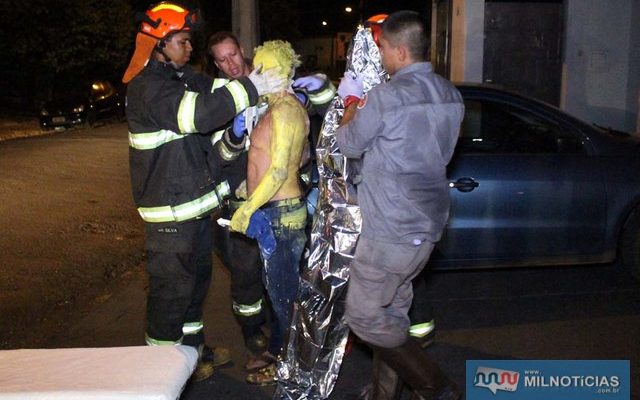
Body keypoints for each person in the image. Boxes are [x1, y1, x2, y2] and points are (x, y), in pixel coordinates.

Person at [122, 2, 285, 382]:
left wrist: (268, 81)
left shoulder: (180, 78)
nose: (189, 47)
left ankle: (192, 356)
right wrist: (251, 88)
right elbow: (199, 115)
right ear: (159, 43)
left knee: (194, 294)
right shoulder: (149, 88)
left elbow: (219, 91)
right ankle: (159, 377)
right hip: (170, 218)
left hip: (192, 212)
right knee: (169, 300)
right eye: (182, 40)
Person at [334, 10, 464, 400]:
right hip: (427, 227)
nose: (382, 55)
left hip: (390, 228)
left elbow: (349, 143)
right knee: (391, 316)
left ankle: (436, 387)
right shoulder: (451, 96)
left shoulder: (388, 98)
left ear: (401, 51)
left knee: (364, 317)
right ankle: (382, 393)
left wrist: (351, 106)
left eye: (384, 48)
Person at [206, 31, 335, 374]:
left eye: (234, 54)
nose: (230, 64)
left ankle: (294, 359)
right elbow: (218, 157)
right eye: (221, 59)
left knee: (284, 292)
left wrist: (311, 88)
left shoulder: (283, 103)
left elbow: (280, 168)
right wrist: (234, 135)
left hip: (278, 207)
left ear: (242, 51)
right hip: (257, 205)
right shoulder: (224, 96)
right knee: (258, 282)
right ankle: (266, 342)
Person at [229, 40, 310, 386]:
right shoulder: (272, 107)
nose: (258, 74)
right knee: (276, 290)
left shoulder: (286, 110)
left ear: (285, 71)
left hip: (283, 215)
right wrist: (247, 189)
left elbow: (279, 172)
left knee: (283, 296)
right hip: (273, 211)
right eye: (256, 67)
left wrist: (247, 209)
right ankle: (279, 351)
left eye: (267, 68)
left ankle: (289, 367)